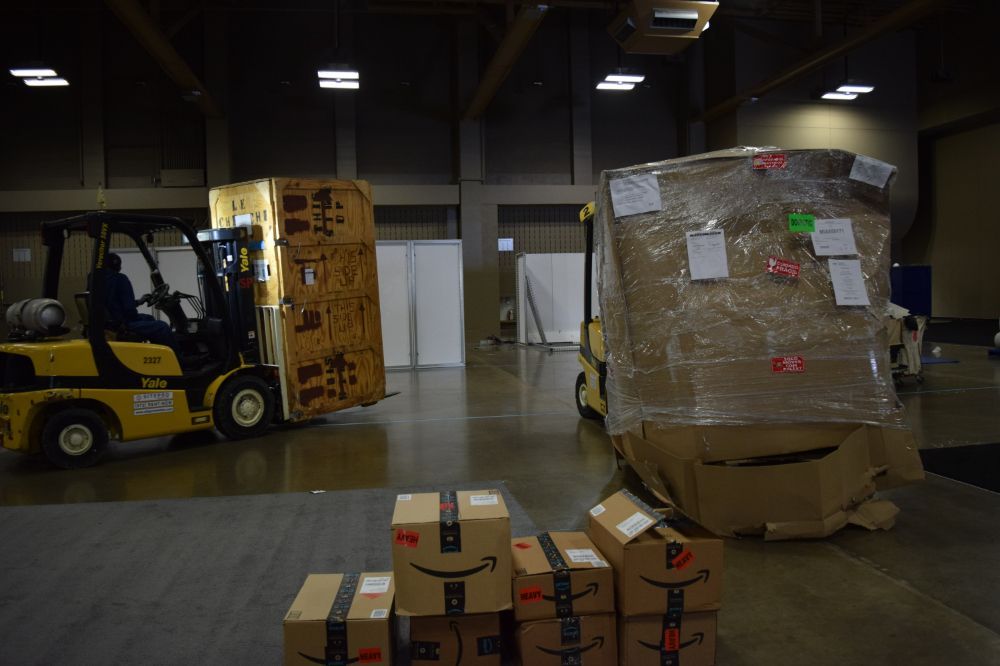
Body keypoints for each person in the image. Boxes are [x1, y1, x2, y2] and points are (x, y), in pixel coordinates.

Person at [103, 252, 179, 353]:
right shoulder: (120, 279)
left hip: (111, 321)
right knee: (162, 327)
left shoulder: (97, 279)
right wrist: (134, 313)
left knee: (149, 318)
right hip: (122, 324)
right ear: (117, 265)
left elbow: (115, 303)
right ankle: (178, 357)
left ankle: (156, 353)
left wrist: (139, 302)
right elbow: (129, 310)